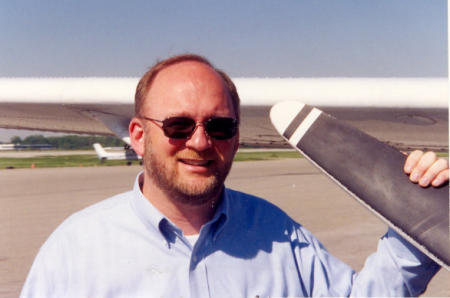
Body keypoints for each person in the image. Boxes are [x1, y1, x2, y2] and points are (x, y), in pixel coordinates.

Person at [21, 54, 449, 297]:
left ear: (237, 137)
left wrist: (422, 214)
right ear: (138, 135)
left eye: (219, 126)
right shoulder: (73, 252)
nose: (201, 142)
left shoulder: (279, 234)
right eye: (178, 126)